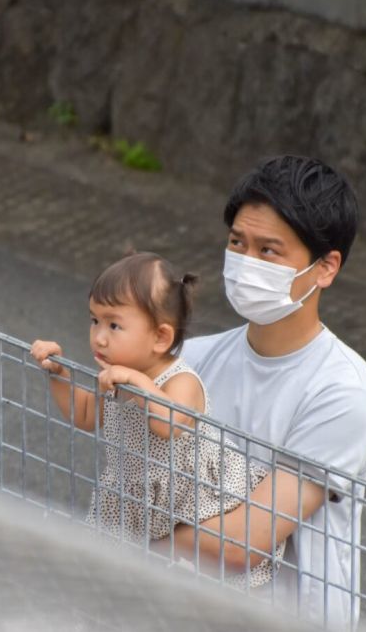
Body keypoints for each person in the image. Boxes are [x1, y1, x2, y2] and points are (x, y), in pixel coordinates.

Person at [174, 155, 366, 626]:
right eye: (237, 243)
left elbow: (244, 541)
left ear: (326, 267)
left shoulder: (341, 392)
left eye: (269, 251)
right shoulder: (195, 359)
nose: (246, 263)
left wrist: (133, 526)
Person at [30, 251, 284, 588]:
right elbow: (86, 414)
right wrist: (58, 373)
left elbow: (168, 424)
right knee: (116, 582)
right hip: (137, 496)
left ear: (161, 337)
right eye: (94, 321)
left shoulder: (181, 380)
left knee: (191, 585)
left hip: (193, 500)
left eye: (114, 325)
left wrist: (139, 385)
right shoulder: (117, 374)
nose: (99, 337)